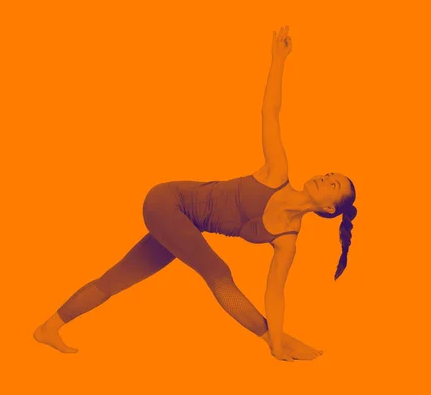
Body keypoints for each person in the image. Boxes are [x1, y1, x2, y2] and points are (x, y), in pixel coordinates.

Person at [34, 26, 358, 362]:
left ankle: (49, 327)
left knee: (117, 278)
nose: (326, 177)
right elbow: (270, 114)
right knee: (218, 273)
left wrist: (277, 332)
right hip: (167, 201)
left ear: (329, 209)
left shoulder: (288, 239)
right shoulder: (276, 174)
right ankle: (278, 343)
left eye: (334, 185)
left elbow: (275, 294)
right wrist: (278, 60)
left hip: (182, 226)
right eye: (330, 174)